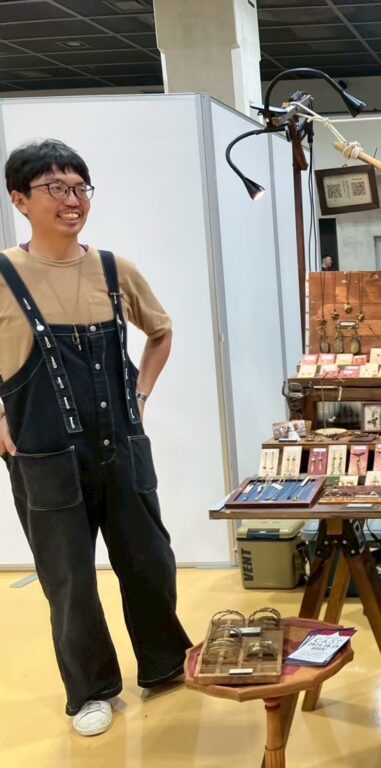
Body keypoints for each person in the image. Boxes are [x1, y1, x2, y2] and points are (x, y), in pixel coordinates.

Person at [0, 140, 191, 737]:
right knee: (69, 578)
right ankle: (91, 690)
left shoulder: (114, 269)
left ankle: (165, 663)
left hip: (122, 443)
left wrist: (142, 395)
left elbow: (160, 332)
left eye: (80, 187)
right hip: (43, 451)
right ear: (20, 200)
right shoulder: (3, 275)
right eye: (55, 188)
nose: (72, 200)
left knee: (150, 560)